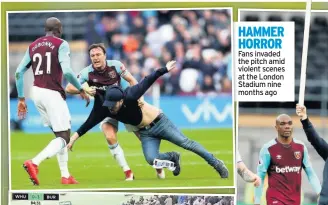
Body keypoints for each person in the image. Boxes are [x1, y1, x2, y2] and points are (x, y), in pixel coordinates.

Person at [67, 62, 229, 179]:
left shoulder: (131, 95)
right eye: (108, 105)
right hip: (146, 133)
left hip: (160, 123)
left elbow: (148, 80)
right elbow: (88, 124)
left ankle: (216, 163)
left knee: (187, 143)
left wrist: (164, 69)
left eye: (113, 105)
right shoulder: (105, 107)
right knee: (152, 160)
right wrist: (72, 140)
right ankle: (173, 156)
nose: (111, 108)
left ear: (121, 100)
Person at [65, 43, 164, 180]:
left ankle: (159, 168)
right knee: (109, 136)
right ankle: (128, 172)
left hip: (125, 105)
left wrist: (139, 98)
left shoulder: (116, 66)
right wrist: (83, 89)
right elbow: (69, 88)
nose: (95, 58)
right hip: (106, 108)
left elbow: (132, 80)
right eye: (92, 55)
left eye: (98, 54)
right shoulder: (86, 73)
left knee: (143, 138)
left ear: (105, 55)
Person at [15, 17, 94, 186]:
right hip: (52, 93)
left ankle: (65, 176)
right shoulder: (61, 44)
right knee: (64, 137)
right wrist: (80, 88)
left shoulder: (33, 45)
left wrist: (21, 98)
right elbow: (66, 71)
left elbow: (19, 72)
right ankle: (34, 163)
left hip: (36, 92)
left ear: (46, 29)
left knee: (59, 135)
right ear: (59, 29)